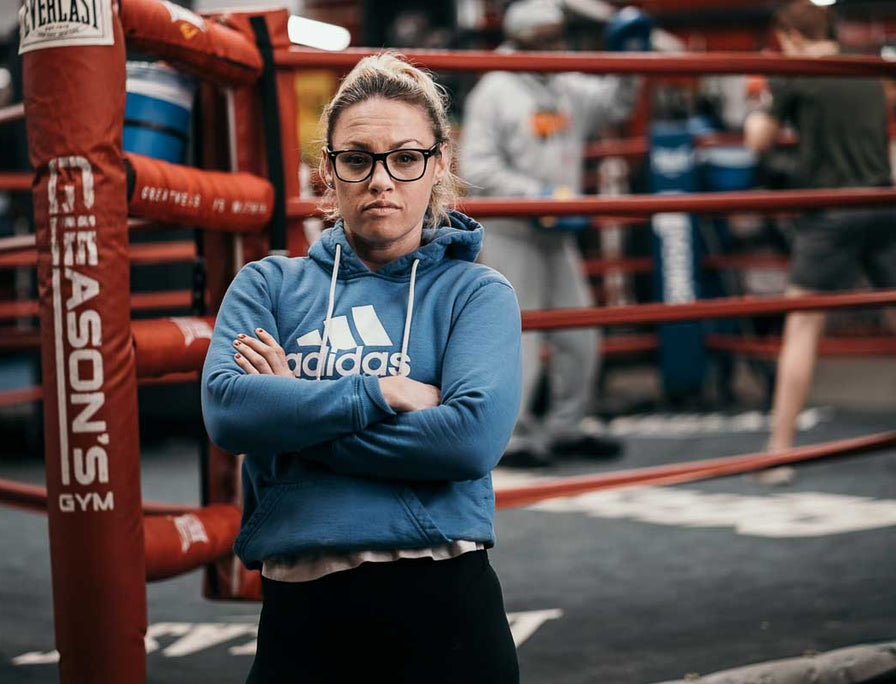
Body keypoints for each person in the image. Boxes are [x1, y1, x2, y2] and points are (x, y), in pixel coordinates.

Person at [202, 53, 522, 683]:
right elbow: (230, 412)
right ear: (328, 170)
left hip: (445, 605)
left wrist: (295, 410)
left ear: (439, 166)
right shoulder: (267, 285)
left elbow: (465, 440)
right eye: (357, 159)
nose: (382, 180)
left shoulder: (475, 292)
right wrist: (379, 391)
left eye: (405, 158)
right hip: (302, 612)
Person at [460, 0, 647, 466]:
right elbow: (475, 167)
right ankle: (512, 436)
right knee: (517, 336)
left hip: (557, 230)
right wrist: (537, 194)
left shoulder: (565, 81)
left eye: (558, 34)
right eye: (546, 35)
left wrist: (631, 59)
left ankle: (568, 426)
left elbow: (616, 102)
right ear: (521, 37)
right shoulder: (495, 90)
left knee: (579, 330)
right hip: (511, 230)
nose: (556, 42)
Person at [744, 0, 896, 479]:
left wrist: (763, 101)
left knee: (803, 327)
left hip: (830, 212)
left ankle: (779, 453)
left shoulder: (798, 73)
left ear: (790, 36)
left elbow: (757, 141)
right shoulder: (868, 67)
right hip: (882, 203)